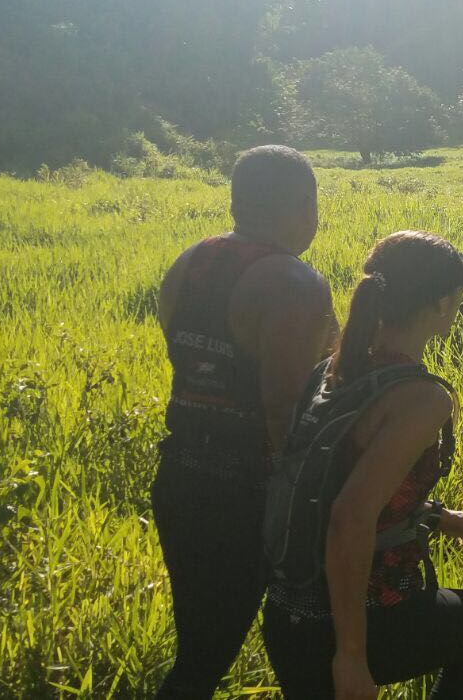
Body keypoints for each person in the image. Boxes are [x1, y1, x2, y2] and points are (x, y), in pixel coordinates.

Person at [261, 231, 463, 700]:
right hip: (347, 622)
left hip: (285, 612)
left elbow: (334, 486)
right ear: (441, 304)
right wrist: (351, 657)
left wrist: (443, 518)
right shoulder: (421, 399)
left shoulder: (334, 370)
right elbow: (349, 516)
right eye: (459, 296)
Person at [151, 145, 335, 699]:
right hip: (247, 494)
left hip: (180, 475)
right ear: (305, 206)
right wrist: (306, 507)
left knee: (201, 646)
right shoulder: (295, 284)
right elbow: (285, 411)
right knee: (290, 651)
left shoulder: (191, 261)